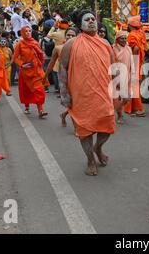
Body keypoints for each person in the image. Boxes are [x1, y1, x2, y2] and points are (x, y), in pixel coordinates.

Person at [59, 10, 116, 176]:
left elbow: (114, 68)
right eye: (87, 19)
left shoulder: (105, 43)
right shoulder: (71, 44)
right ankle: (90, 160)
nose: (92, 21)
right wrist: (64, 94)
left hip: (103, 94)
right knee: (85, 129)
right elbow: (63, 68)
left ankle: (98, 148)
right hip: (81, 96)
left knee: (107, 125)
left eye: (93, 19)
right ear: (80, 25)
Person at [43, 27, 78, 127]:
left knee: (76, 102)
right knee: (72, 102)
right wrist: (45, 77)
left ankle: (64, 114)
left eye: (73, 35)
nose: (70, 37)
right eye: (68, 35)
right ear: (65, 36)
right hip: (65, 79)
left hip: (78, 77)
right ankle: (76, 127)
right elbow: (51, 63)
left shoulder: (80, 48)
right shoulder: (58, 48)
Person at [13, 26, 48, 118]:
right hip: (25, 72)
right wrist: (22, 64)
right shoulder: (20, 44)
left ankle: (40, 110)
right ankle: (27, 106)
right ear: (22, 33)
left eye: (29, 31)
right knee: (27, 91)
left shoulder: (35, 43)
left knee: (39, 90)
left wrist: (39, 58)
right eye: (26, 31)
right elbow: (15, 58)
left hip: (36, 71)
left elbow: (41, 56)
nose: (28, 32)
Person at [124, 16, 147, 117]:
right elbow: (146, 47)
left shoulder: (131, 35)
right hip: (139, 61)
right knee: (135, 83)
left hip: (135, 61)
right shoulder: (141, 33)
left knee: (134, 84)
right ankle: (133, 107)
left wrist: (132, 61)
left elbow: (136, 48)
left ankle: (139, 109)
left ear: (129, 25)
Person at [112, 30, 132, 124]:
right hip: (117, 76)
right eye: (122, 38)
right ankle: (120, 116)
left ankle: (112, 111)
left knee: (127, 98)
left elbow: (131, 62)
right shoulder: (113, 49)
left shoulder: (128, 48)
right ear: (117, 39)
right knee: (120, 97)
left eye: (125, 38)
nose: (124, 40)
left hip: (127, 75)